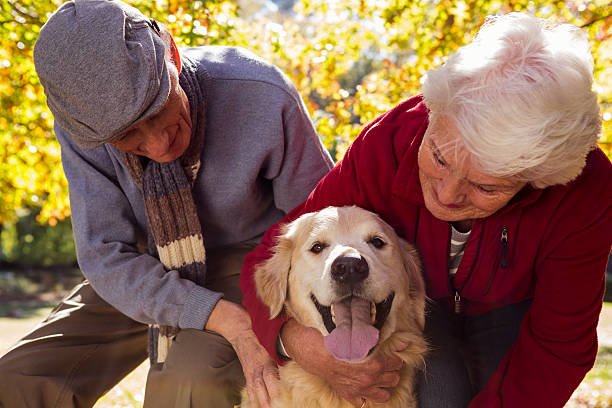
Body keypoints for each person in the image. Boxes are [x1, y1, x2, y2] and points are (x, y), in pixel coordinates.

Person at [241, 12, 612, 408]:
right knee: (442, 391)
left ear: (539, 177)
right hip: (418, 310)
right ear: (435, 113)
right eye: (439, 157)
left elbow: (558, 347)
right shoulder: (387, 143)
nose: (447, 196)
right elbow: (268, 260)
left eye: (486, 186)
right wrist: (294, 340)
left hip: (512, 316)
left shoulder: (584, 190)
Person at [0, 0, 333, 407]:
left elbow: (323, 229)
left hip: (252, 263)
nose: (158, 146)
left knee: (188, 385)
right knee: (16, 381)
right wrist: (222, 318)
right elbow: (105, 256)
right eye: (128, 137)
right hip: (143, 267)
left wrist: (270, 328)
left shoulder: (261, 93)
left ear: (172, 54)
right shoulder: (86, 130)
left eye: (158, 109)